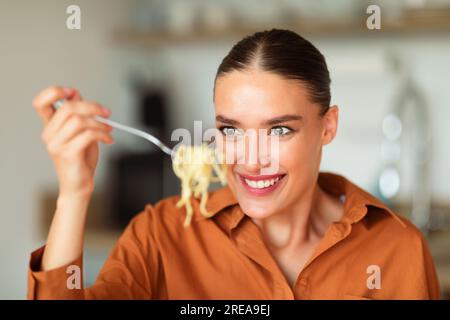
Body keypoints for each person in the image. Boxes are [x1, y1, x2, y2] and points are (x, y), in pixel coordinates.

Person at [28, 29, 440, 299]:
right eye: (231, 130)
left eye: (279, 130)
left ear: (327, 126)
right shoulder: (162, 236)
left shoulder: (395, 250)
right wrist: (75, 191)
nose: (251, 159)